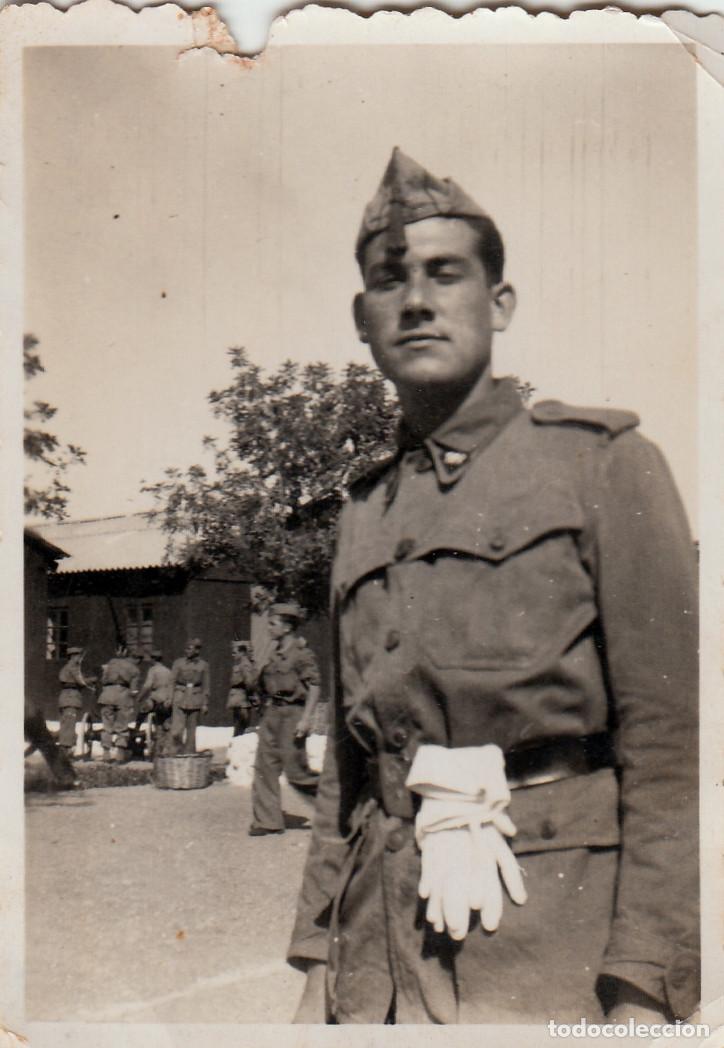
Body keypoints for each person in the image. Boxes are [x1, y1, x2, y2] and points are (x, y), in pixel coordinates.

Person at [288, 149, 699, 1025]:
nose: (419, 300)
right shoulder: (362, 511)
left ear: (499, 302)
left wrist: (645, 983)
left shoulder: (600, 466)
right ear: (363, 319)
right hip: (379, 943)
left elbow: (672, 749)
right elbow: (349, 776)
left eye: (447, 274)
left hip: (554, 937)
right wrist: (319, 955)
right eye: (390, 281)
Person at [248, 603, 322, 837]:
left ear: (288, 627)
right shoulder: (274, 655)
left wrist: (307, 718)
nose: (268, 628)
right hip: (273, 713)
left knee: (296, 772)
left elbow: (315, 686)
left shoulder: (302, 655)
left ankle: (336, 805)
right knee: (264, 767)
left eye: (273, 624)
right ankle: (267, 820)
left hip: (293, 714)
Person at [98, 642, 141, 763]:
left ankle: (106, 754)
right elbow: (133, 690)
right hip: (123, 696)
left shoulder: (109, 664)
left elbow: (103, 680)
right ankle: (120, 755)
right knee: (122, 726)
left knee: (107, 725)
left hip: (106, 696)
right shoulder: (134, 669)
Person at [169, 638, 210, 754]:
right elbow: (172, 681)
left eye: (189, 648)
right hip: (180, 696)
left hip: (195, 698)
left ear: (197, 651)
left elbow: (206, 685)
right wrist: (169, 698)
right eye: (186, 648)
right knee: (176, 730)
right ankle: (176, 753)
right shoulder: (178, 663)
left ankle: (189, 756)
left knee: (192, 732)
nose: (186, 651)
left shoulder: (204, 665)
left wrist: (205, 703)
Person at [56, 646, 95, 760]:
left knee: (65, 726)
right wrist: (93, 680)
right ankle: (66, 755)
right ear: (73, 656)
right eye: (78, 656)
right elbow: (81, 682)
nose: (80, 658)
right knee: (69, 726)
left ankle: (65, 753)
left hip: (65, 698)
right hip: (71, 698)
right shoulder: (73, 666)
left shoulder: (66, 667)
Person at [137, 648, 173, 756]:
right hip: (167, 701)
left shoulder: (153, 670)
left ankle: (136, 729)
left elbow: (148, 685)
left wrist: (139, 697)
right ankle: (165, 749)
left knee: (143, 709)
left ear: (153, 659)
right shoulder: (168, 671)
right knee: (164, 724)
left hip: (156, 700)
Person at [226, 641, 259, 737]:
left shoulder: (245, 664)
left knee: (240, 728)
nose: (233, 655)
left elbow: (249, 683)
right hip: (239, 701)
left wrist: (253, 700)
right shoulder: (240, 663)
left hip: (243, 701)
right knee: (238, 727)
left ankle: (238, 749)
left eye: (235, 653)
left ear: (241, 652)